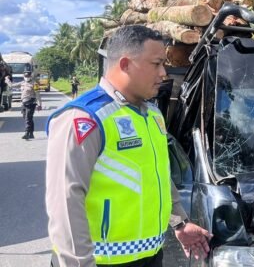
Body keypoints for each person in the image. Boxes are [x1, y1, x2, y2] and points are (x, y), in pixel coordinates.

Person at [46, 26, 212, 267]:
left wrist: (179, 222)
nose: (164, 73)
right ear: (125, 64)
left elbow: (158, 176)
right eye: (156, 64)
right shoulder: (84, 118)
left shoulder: (152, 115)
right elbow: (64, 200)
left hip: (151, 257)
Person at [16, 70, 42, 140]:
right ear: (23, 76)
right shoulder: (22, 83)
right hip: (24, 103)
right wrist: (6, 79)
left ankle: (26, 133)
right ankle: (31, 133)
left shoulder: (34, 84)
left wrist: (39, 104)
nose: (27, 77)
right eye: (25, 76)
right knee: (27, 118)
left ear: (31, 76)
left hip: (31, 103)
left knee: (28, 118)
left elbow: (38, 95)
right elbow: (12, 85)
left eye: (28, 76)